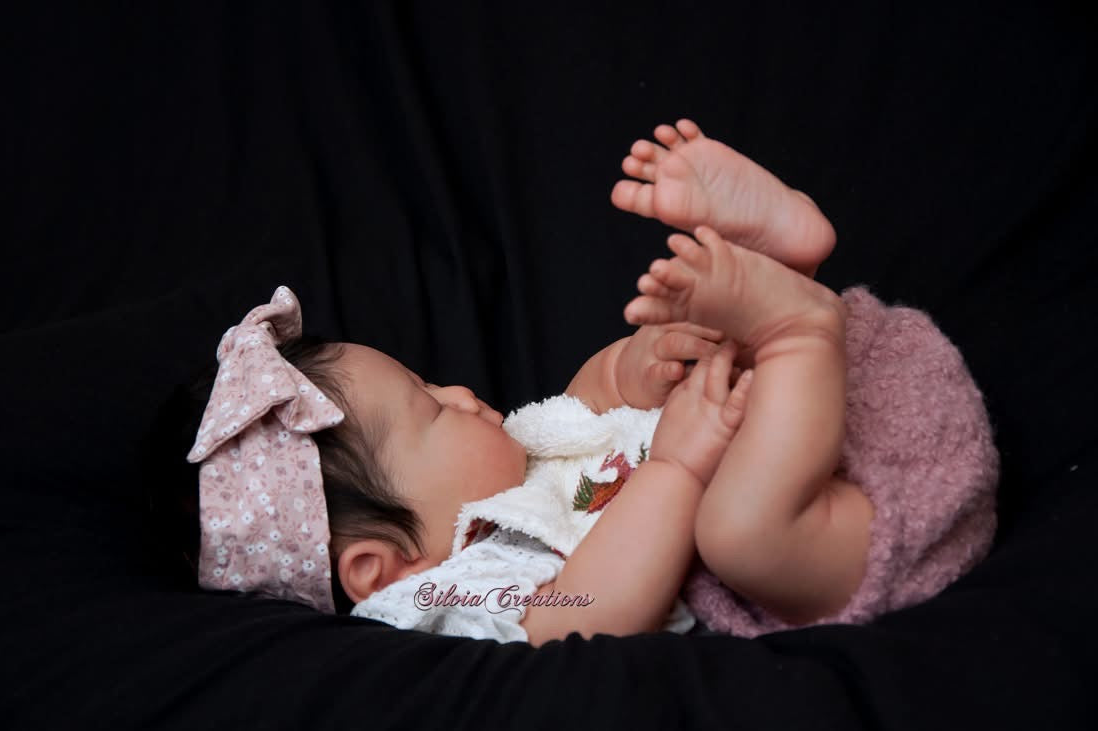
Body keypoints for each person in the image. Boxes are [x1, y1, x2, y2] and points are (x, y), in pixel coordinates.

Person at [186, 121, 998, 645]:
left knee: (708, 362)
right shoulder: (450, 597)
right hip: (845, 538)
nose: (462, 394)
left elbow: (579, 410)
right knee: (739, 531)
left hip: (849, 424)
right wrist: (674, 467)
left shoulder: (512, 466)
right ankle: (800, 332)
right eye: (432, 410)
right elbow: (587, 612)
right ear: (380, 567)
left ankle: (780, 263)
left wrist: (631, 369)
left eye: (436, 384)